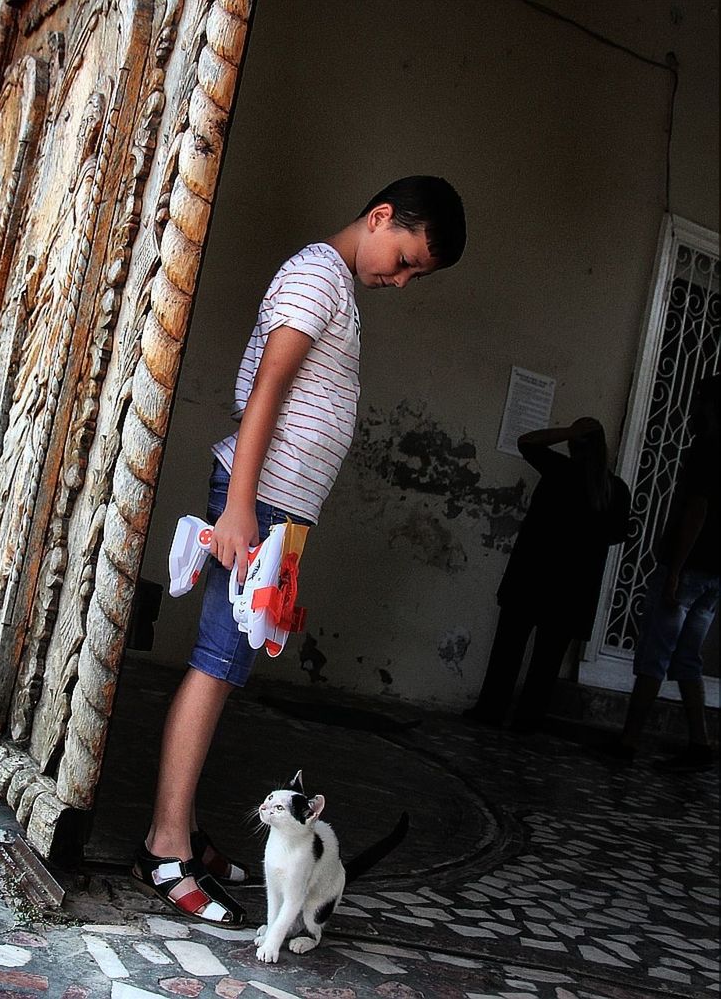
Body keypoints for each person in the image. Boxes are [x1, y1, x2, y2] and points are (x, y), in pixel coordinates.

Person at [133, 176, 467, 925]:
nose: (403, 279)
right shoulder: (318, 273)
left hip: (279, 512)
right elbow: (269, 392)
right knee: (214, 667)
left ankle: (178, 829)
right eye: (407, 258)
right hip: (259, 504)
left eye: (416, 273)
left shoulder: (335, 287)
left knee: (229, 667)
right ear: (380, 216)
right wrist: (243, 506)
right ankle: (164, 847)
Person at [465, 418, 631, 732]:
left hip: (532, 577)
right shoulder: (616, 491)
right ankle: (528, 721)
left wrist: (568, 431)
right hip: (572, 589)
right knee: (546, 663)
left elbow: (527, 441)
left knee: (508, 651)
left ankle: (491, 710)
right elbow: (617, 534)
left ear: (573, 444)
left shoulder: (560, 470)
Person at [610, 374, 719, 771]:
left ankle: (628, 741)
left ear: (708, 406)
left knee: (656, 653)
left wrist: (675, 569)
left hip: (689, 570)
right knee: (688, 658)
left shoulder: (707, 449)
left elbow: (697, 511)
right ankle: (699, 743)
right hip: (713, 577)